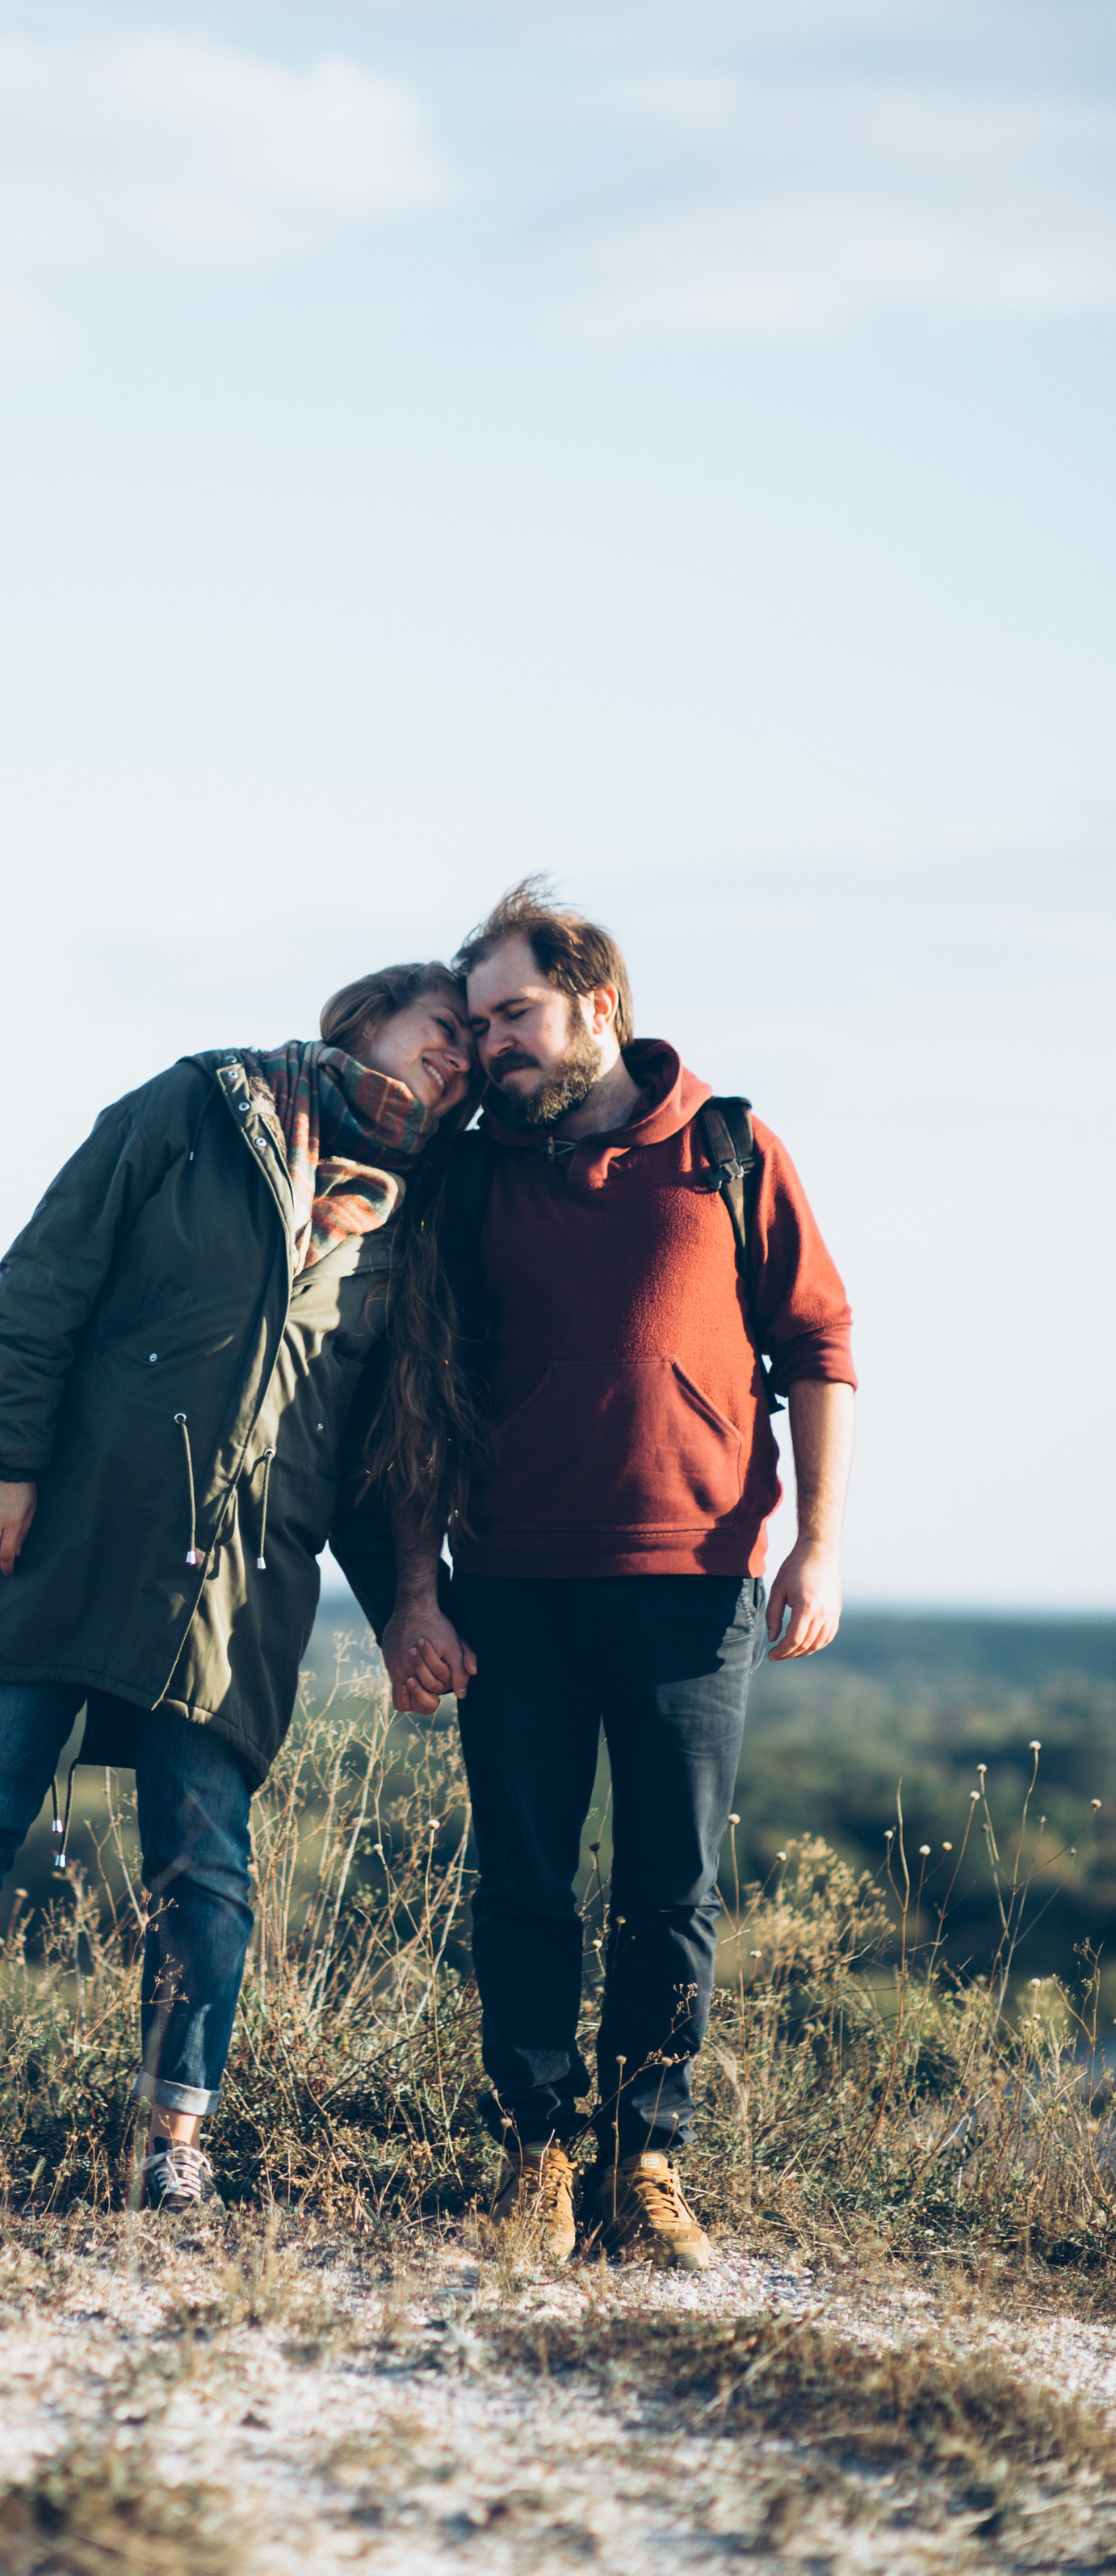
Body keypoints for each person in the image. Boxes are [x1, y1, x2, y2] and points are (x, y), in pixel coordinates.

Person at [0, 964, 477, 2208]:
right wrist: (6, 1464)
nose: (458, 1059)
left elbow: (378, 1452)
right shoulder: (197, 1109)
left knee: (202, 1859)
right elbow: (44, 1282)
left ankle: (172, 2144)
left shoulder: (416, 1216)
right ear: (364, 1019)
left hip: (238, 1587)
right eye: (444, 1029)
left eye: (473, 1057)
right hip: (71, 1532)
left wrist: (408, 1601)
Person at [381, 879, 856, 2269]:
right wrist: (419, 1590)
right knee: (523, 1879)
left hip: (693, 1585)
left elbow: (821, 1347)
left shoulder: (728, 1146)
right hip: (512, 1584)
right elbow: (422, 1396)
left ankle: (645, 2166)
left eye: (515, 1015)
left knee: (672, 1887)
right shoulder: (470, 1175)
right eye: (478, 1024)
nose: (493, 1045)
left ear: (598, 1005)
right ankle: (534, 2154)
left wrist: (818, 1546)